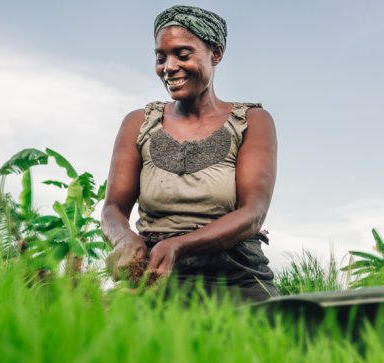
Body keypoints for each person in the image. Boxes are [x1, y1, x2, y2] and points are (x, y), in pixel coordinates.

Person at [101, 5, 279, 302]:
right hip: (156, 272)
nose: (169, 67)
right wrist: (125, 239)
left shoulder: (252, 121)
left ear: (216, 54)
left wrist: (180, 245)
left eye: (182, 55)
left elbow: (253, 214)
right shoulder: (139, 123)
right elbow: (113, 208)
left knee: (269, 338)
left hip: (234, 275)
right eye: (161, 58)